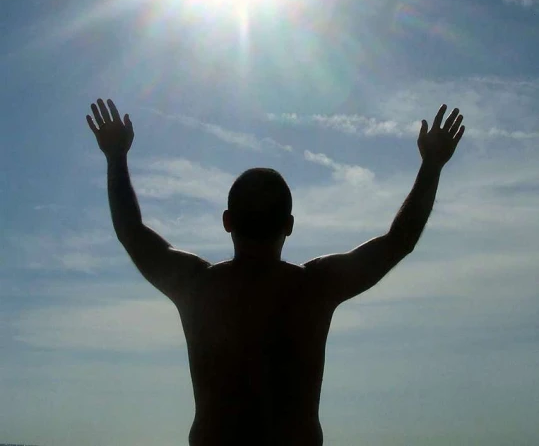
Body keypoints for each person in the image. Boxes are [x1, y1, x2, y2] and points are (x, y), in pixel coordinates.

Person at [87, 98, 465, 446]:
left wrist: (115, 156)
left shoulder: (197, 287)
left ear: (227, 222)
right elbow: (400, 240)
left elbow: (131, 233)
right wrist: (432, 165)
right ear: (289, 224)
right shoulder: (315, 287)